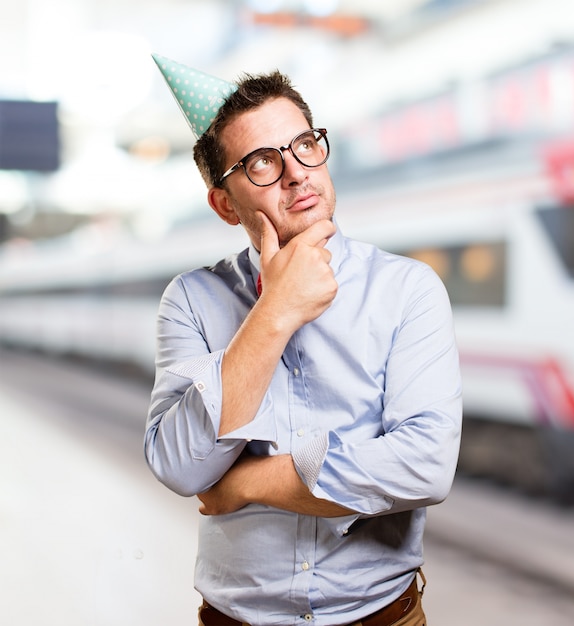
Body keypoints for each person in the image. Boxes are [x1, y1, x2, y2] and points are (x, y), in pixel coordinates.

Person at [145, 54, 462, 626]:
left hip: (384, 616)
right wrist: (275, 312)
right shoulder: (191, 300)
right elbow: (179, 466)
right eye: (262, 162)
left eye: (304, 146)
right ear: (224, 203)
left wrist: (246, 484)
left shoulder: (407, 290)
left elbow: (425, 466)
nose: (296, 173)